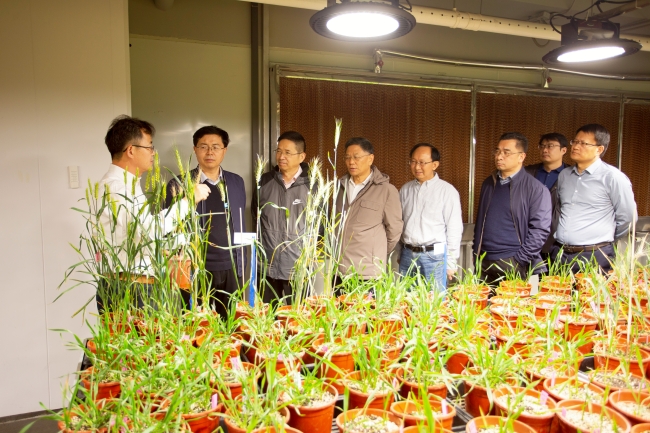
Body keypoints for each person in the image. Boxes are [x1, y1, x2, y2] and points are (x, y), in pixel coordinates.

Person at [97, 115, 210, 312]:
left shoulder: (128, 185)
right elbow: (150, 230)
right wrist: (188, 201)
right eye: (149, 147)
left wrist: (166, 249)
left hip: (134, 285)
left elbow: (137, 236)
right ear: (131, 150)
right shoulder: (117, 188)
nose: (153, 153)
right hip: (131, 289)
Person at [165, 125, 246, 319]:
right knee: (196, 323)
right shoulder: (178, 184)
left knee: (231, 321)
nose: (210, 152)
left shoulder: (236, 182)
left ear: (224, 150)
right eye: (203, 146)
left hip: (231, 266)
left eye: (216, 147)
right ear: (195, 149)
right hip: (194, 267)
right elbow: (169, 225)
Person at [552, 124, 637, 273]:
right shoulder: (564, 175)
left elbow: (628, 218)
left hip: (595, 255)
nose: (576, 147)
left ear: (599, 149)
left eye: (583, 143)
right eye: (575, 142)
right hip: (561, 253)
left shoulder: (613, 177)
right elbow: (558, 209)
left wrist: (605, 240)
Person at [473, 132, 552, 286]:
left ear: (521, 156)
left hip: (514, 261)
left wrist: (520, 260)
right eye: (497, 151)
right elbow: (481, 221)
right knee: (484, 300)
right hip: (484, 260)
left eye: (506, 152)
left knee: (515, 301)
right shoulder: (489, 183)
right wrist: (476, 253)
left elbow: (540, 230)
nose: (499, 156)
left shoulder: (535, 189)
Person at [335, 137, 403, 281]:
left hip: (368, 271)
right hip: (339, 270)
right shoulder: (339, 187)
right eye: (347, 157)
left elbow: (394, 229)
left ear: (370, 159)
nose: (351, 162)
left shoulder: (386, 190)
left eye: (356, 157)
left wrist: (376, 253)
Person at [254, 131, 310, 306]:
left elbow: (321, 224)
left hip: (297, 268)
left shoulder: (313, 184)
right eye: (278, 151)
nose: (281, 156)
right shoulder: (264, 181)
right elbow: (256, 216)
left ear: (301, 156)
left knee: (297, 317)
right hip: (267, 267)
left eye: (287, 152)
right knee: (267, 316)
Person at [398, 143, 463, 292]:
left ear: (435, 165)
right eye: (413, 161)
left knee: (434, 301)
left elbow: (454, 228)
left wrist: (451, 262)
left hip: (435, 257)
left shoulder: (447, 191)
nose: (417, 167)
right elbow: (400, 223)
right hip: (408, 254)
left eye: (422, 162)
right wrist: (400, 252)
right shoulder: (405, 190)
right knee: (406, 300)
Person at [525, 133, 569, 257]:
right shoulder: (527, 173)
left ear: (563, 150)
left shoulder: (571, 175)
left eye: (550, 146)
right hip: (528, 236)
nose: (545, 150)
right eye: (542, 146)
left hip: (557, 240)